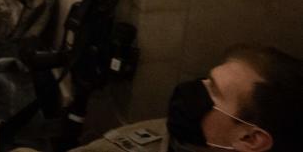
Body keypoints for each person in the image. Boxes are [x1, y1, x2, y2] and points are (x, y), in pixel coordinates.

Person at [61, 44, 303, 152]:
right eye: (206, 80)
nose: (194, 90)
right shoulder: (159, 136)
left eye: (214, 91)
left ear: (250, 139)